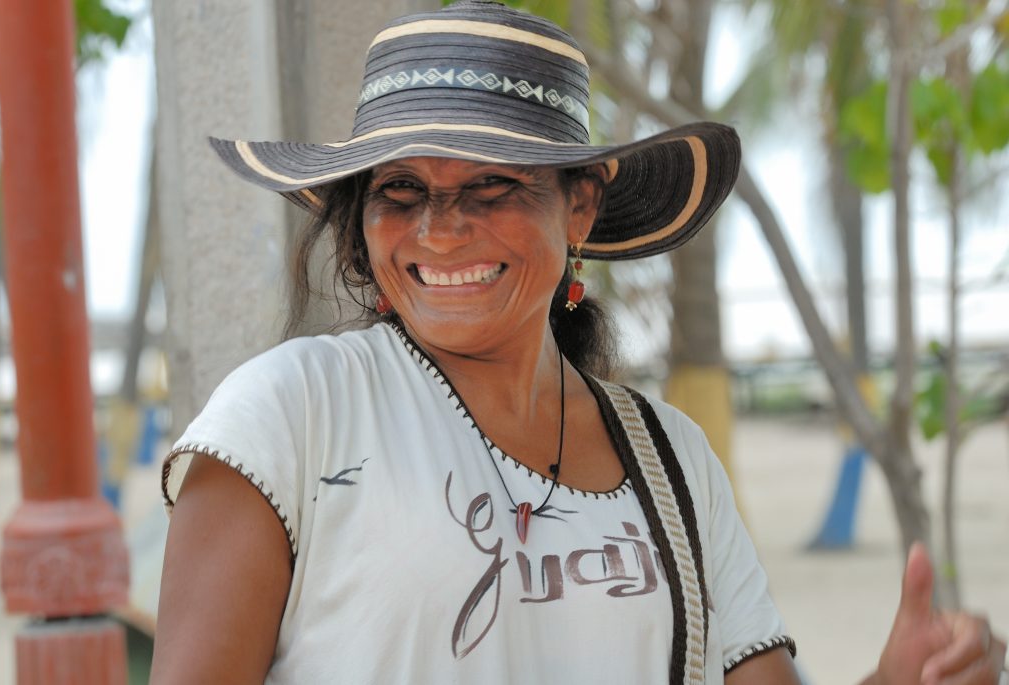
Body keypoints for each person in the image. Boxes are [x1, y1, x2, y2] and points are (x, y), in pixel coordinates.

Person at [151, 2, 1008, 683]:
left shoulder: (674, 459)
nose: (440, 231)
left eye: (492, 186)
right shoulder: (288, 416)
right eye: (401, 189)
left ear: (582, 206)